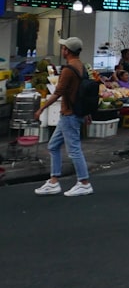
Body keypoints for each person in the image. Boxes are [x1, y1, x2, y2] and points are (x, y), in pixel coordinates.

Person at [34, 36, 93, 197]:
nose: (62, 50)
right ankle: (54, 181)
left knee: (74, 150)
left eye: (63, 48)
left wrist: (42, 109)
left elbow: (58, 92)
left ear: (67, 51)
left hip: (69, 114)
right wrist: (87, 113)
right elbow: (83, 92)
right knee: (53, 146)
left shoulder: (68, 69)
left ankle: (84, 182)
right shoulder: (82, 66)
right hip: (74, 112)